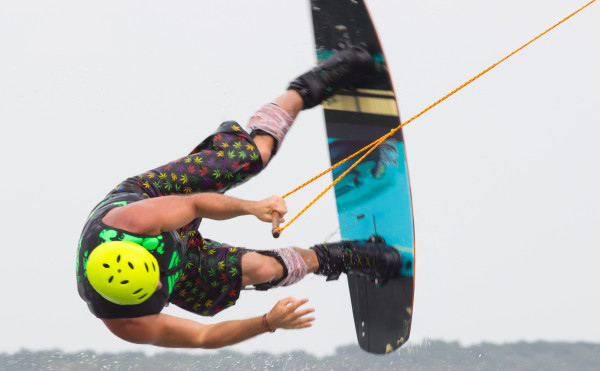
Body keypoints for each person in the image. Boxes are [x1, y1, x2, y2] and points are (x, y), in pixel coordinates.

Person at [76, 45, 404, 349]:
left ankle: (307, 88)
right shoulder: (124, 321)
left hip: (157, 198)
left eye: (157, 282)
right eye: (157, 289)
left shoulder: (131, 222)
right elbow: (204, 337)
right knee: (264, 271)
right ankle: (341, 257)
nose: (163, 287)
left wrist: (254, 208)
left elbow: (195, 203)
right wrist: (267, 322)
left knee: (252, 157)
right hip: (182, 260)